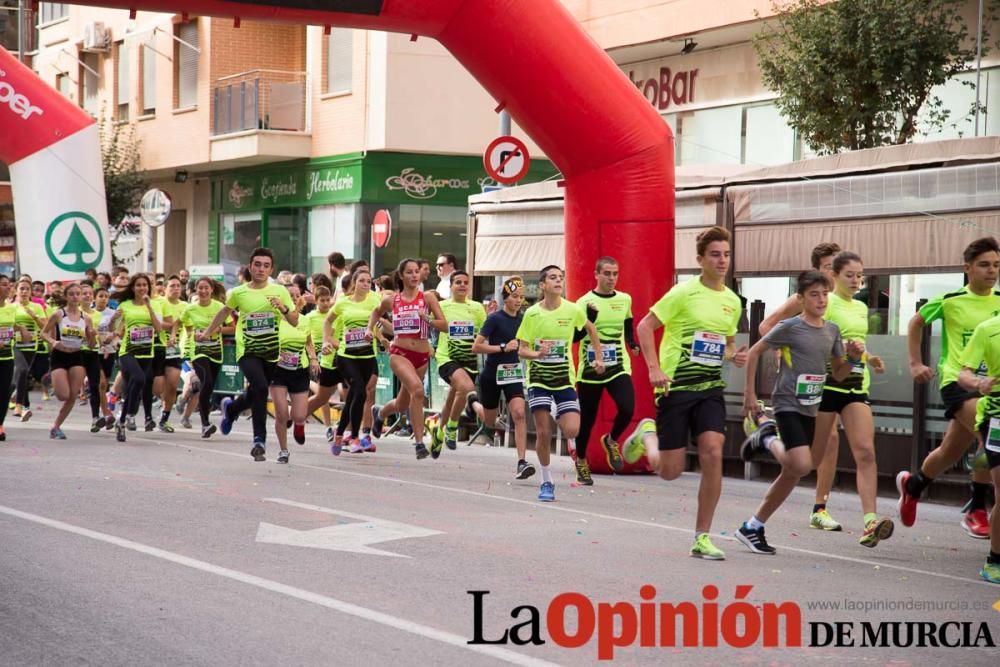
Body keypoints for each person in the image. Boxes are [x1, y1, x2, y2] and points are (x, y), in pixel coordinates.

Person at [625, 226, 747, 560]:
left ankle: (702, 536)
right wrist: (652, 367)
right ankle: (648, 435)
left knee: (713, 451)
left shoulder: (732, 302)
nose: (722, 260)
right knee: (670, 471)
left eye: (726, 254)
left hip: (709, 388)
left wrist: (733, 355)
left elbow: (727, 343)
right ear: (700, 259)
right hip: (675, 387)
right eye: (715, 255)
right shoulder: (684, 292)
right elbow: (644, 326)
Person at [737, 270, 864, 555]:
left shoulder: (832, 330)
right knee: (803, 464)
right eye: (814, 295)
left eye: (824, 294)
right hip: (787, 403)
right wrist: (749, 393)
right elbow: (756, 352)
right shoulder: (790, 327)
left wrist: (854, 358)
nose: (820, 300)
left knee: (793, 472)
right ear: (801, 298)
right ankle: (766, 437)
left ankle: (753, 526)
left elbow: (840, 374)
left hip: (811, 406)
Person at [897, 236, 1000, 539]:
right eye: (984, 265)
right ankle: (977, 506)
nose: (991, 271)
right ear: (967, 268)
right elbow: (916, 323)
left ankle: (914, 485)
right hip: (958, 382)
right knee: (990, 436)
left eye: (996, 265)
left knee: (949, 451)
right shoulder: (951, 300)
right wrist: (915, 363)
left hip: (991, 386)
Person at [758, 241, 847, 531]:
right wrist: (781, 350)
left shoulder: (841, 298)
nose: (833, 273)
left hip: (827, 374)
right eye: (827, 268)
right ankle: (818, 505)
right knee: (824, 442)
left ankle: (820, 504)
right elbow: (767, 325)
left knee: (828, 443)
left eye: (837, 267)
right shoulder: (803, 300)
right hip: (799, 382)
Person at [811, 251, 894, 547]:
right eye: (850, 275)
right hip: (827, 384)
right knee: (812, 453)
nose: (857, 280)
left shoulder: (860, 307)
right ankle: (813, 505)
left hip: (856, 386)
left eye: (860, 275)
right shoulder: (825, 302)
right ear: (834, 275)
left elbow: (859, 343)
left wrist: (870, 358)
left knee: (865, 451)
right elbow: (813, 337)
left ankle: (870, 521)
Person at [516, 264, 605, 502]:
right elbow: (521, 350)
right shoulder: (532, 314)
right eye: (553, 278)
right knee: (544, 433)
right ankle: (547, 481)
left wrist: (598, 356)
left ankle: (557, 409)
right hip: (539, 380)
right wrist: (536, 354)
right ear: (543, 285)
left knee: (572, 429)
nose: (559, 281)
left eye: (561, 278)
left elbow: (590, 328)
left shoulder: (573, 309)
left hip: (565, 379)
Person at [200, 247, 298, 462]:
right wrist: (208, 333)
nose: (261, 269)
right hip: (247, 350)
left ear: (271, 269)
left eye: (266, 266)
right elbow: (224, 312)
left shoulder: (280, 291)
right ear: (250, 266)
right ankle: (259, 440)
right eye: (257, 264)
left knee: (256, 390)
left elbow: (294, 320)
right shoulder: (238, 293)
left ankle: (232, 408)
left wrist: (282, 308)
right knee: (261, 388)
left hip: (271, 352)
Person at [369, 258, 447, 459]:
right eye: (410, 272)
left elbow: (444, 325)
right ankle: (420, 443)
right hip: (399, 353)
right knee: (418, 391)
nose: (414, 275)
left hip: (421, 355)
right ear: (402, 275)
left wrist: (427, 319)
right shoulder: (392, 300)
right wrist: (370, 330)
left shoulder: (428, 298)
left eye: (417, 272)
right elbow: (376, 312)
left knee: (403, 403)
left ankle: (380, 413)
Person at [573, 256, 636, 484]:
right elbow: (575, 337)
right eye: (607, 274)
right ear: (596, 274)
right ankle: (581, 461)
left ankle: (611, 440)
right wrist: (589, 318)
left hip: (618, 365)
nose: (611, 278)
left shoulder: (624, 299)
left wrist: (632, 342)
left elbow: (628, 323)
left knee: (627, 408)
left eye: (615, 274)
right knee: (587, 421)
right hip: (591, 369)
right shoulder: (583, 302)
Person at [468, 277, 535, 479]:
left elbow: (529, 343)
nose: (518, 301)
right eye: (514, 296)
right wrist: (503, 347)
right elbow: (476, 346)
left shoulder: (525, 319)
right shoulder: (495, 319)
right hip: (492, 374)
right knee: (490, 421)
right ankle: (472, 403)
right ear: (505, 298)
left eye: (521, 297)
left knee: (519, 413)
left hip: (513, 373)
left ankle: (522, 462)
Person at [955, 311, 1000, 583]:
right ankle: (995, 560)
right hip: (996, 415)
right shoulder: (988, 328)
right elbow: (964, 374)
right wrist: (979, 383)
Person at [325, 268, 382, 454]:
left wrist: (382, 337)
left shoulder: (375, 299)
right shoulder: (342, 303)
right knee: (359, 392)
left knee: (354, 398)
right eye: (362, 281)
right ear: (354, 283)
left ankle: (340, 433)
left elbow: (381, 320)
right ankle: (355, 437)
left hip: (367, 356)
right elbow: (328, 321)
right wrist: (327, 340)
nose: (366, 284)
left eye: (369, 281)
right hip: (346, 356)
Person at [430, 270, 486, 456]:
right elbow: (431, 326)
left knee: (453, 398)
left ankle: (438, 431)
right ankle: (452, 428)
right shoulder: (442, 306)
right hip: (447, 358)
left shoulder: (477, 307)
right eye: (458, 282)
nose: (462, 285)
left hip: (469, 359)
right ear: (451, 286)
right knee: (466, 387)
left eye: (465, 282)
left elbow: (483, 333)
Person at [108, 274, 163, 443]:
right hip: (128, 350)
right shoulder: (125, 305)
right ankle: (126, 415)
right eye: (138, 285)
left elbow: (159, 329)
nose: (141, 288)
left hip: (146, 352)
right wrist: (114, 325)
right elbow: (112, 326)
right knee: (139, 378)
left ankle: (122, 419)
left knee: (137, 383)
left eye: (144, 285)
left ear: (148, 287)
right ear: (133, 288)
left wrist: (149, 307)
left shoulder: (154, 305)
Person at [41, 283, 96, 439]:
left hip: (77, 356)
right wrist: (53, 342)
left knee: (72, 396)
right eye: (71, 294)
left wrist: (91, 335)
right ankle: (51, 379)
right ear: (66, 296)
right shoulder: (58, 314)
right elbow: (43, 333)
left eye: (77, 294)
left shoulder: (86, 318)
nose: (74, 297)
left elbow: (91, 346)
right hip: (59, 355)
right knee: (62, 395)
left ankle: (56, 426)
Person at [270, 293, 319, 464]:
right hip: (278, 371)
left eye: (295, 295)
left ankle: (299, 425)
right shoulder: (275, 319)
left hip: (299, 369)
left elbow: (308, 342)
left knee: (299, 415)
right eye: (289, 295)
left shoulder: (304, 320)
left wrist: (313, 359)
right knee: (282, 413)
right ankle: (283, 450)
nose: (293, 298)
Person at [181, 277, 230, 438]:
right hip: (199, 351)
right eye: (200, 288)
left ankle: (203, 418)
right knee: (206, 381)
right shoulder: (190, 309)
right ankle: (205, 424)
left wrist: (216, 331)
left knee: (208, 387)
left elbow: (232, 327)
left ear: (211, 290)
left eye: (206, 288)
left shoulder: (220, 307)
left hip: (216, 351)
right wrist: (192, 334)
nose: (203, 291)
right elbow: (186, 328)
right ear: (196, 290)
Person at [304, 285, 343, 443]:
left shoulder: (334, 315)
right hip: (318, 357)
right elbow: (307, 339)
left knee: (332, 390)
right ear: (315, 300)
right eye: (322, 300)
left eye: (328, 300)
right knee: (323, 395)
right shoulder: (310, 317)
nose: (326, 303)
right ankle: (328, 427)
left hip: (334, 355)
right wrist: (313, 356)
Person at [155, 275, 187, 432]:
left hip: (175, 350)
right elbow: (155, 321)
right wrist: (172, 327)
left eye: (178, 286)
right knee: (158, 387)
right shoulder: (159, 302)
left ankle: (164, 418)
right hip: (158, 348)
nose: (176, 289)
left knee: (173, 385)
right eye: (172, 286)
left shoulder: (185, 306)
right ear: (165, 289)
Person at [12, 278, 47, 422]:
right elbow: (5, 324)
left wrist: (34, 316)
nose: (25, 291)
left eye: (27, 289)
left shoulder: (37, 306)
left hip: (31, 345)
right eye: (22, 288)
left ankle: (22, 405)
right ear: (16, 290)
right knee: (23, 370)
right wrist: (20, 327)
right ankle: (19, 406)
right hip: (14, 344)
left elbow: (45, 325)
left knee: (20, 376)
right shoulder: (10, 306)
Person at [0, 275, 30, 441]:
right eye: (4, 285)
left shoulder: (11, 308)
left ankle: (0, 425)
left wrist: (22, 329)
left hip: (6, 358)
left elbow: (11, 325)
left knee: (4, 392)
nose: (8, 288)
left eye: (9, 285)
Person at [89, 286, 118, 432]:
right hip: (94, 352)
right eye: (100, 296)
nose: (103, 299)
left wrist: (113, 336)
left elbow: (118, 332)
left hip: (109, 351)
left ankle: (97, 417)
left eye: (106, 296)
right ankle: (105, 413)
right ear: (95, 298)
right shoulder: (90, 313)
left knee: (103, 384)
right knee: (99, 383)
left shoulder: (113, 313)